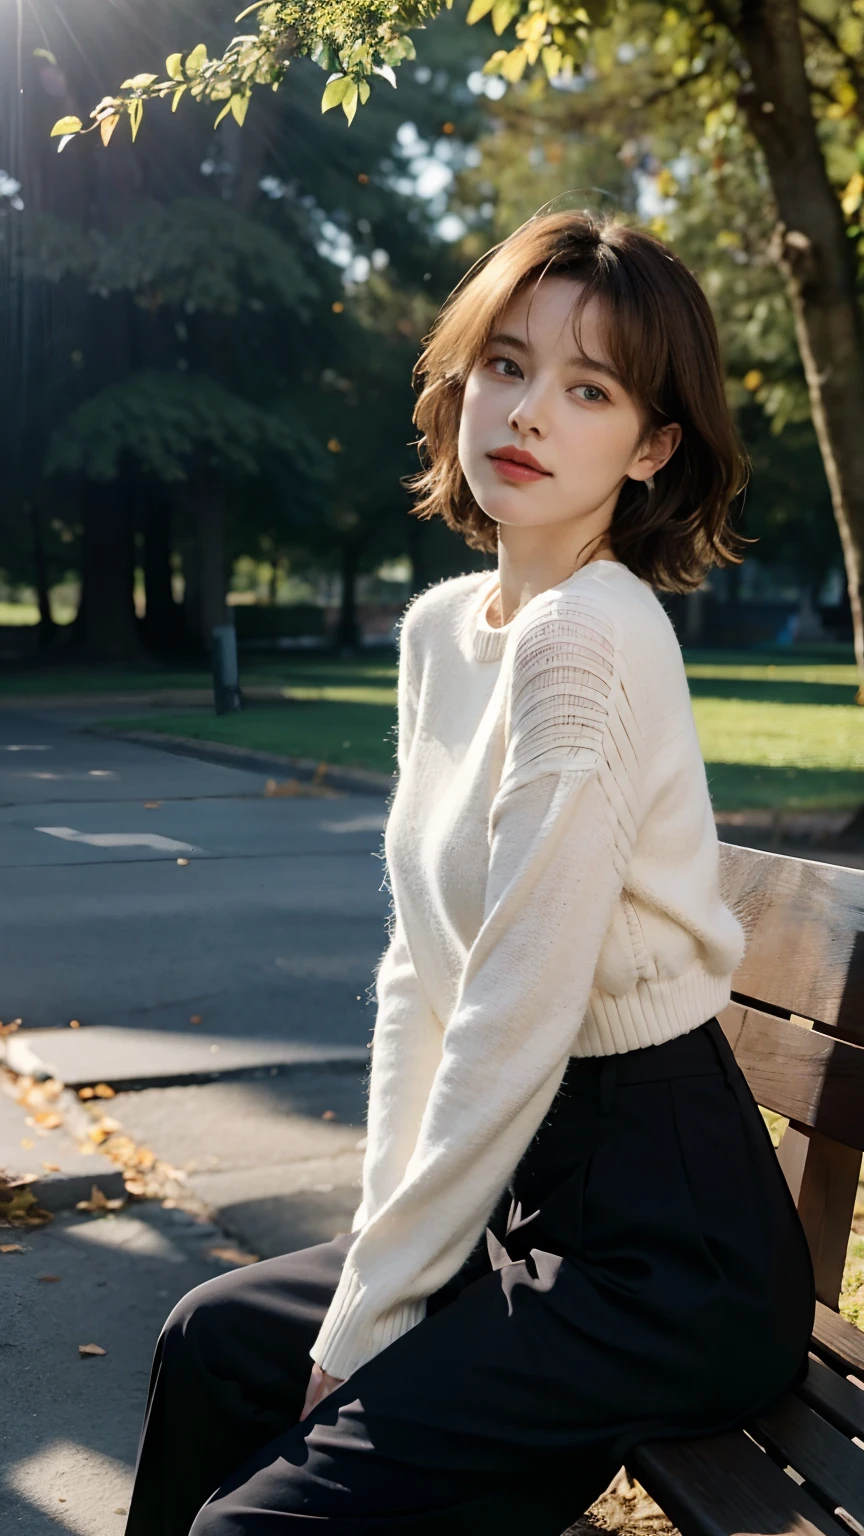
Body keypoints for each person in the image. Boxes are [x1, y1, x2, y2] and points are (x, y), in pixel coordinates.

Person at [124, 209, 815, 1536]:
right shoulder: (448, 630)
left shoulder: (592, 639)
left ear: (653, 446)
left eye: (589, 388)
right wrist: (382, 1256)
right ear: (460, 381)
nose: (530, 411)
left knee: (258, 1522)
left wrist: (378, 1307)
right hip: (525, 1202)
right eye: (505, 365)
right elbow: (421, 984)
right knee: (215, 1338)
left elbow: (518, 1010)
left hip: (667, 1255)